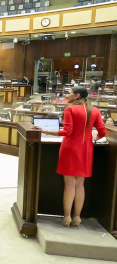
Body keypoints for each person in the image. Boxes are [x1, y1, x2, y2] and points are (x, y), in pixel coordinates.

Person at [32, 86, 106, 228]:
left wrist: (45, 130)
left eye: (69, 93)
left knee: (69, 184)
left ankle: (67, 217)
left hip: (71, 148)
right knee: (80, 184)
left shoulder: (69, 109)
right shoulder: (94, 110)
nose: (67, 95)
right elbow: (102, 131)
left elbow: (67, 131)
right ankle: (77, 217)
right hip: (86, 149)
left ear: (77, 96)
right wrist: (93, 138)